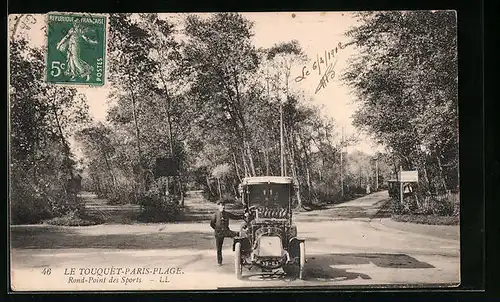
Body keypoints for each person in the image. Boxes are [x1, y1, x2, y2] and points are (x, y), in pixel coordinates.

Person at [210, 201, 245, 266]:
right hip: (219, 233)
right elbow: (212, 224)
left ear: (224, 207)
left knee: (238, 235)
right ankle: (219, 262)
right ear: (218, 207)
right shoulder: (215, 214)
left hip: (226, 231)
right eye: (221, 206)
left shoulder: (227, 214)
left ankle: (239, 251)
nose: (222, 207)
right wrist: (217, 229)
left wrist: (243, 216)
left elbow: (235, 217)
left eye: (223, 206)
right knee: (219, 248)